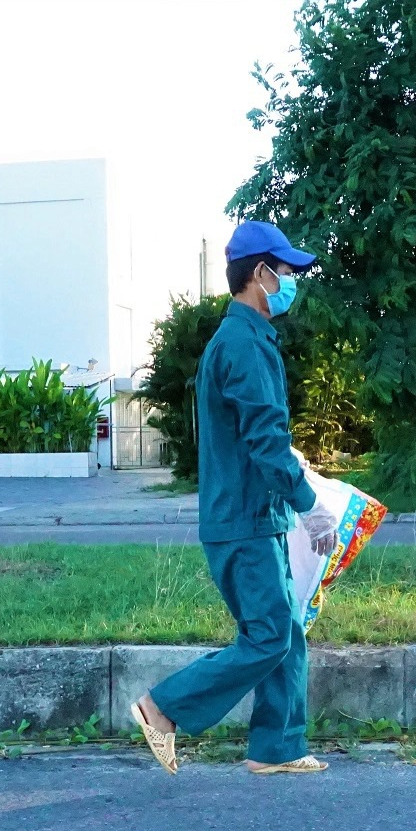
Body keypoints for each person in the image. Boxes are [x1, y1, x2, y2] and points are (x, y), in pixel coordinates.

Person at [128, 221, 340, 776]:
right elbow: (264, 438)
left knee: (284, 633)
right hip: (244, 521)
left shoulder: (245, 339)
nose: (291, 281)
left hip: (250, 515)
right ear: (258, 274)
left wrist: (292, 478)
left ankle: (277, 748)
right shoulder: (243, 345)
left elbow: (255, 437)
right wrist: (307, 501)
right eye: (285, 272)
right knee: (269, 636)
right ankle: (161, 708)